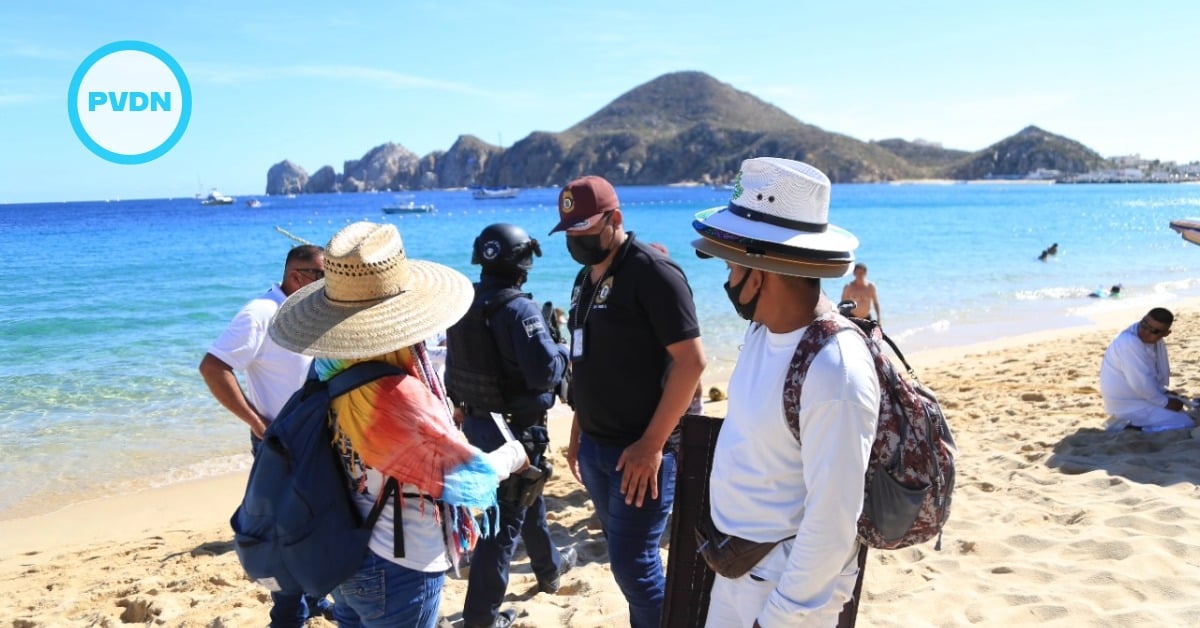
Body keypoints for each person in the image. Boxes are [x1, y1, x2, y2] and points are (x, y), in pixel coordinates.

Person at [267, 222, 529, 628]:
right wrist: (513, 455)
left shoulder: (328, 369)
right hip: (399, 562)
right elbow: (464, 474)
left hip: (343, 546)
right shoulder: (397, 393)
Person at [690, 157, 882, 626]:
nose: (727, 280)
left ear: (761, 271)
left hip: (783, 591)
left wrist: (780, 617)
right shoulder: (763, 330)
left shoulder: (834, 368)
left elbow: (833, 519)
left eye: (733, 265)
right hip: (740, 572)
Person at [549, 175, 706, 628]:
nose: (577, 241)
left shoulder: (653, 273)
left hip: (642, 454)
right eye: (569, 234)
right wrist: (579, 430)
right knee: (626, 563)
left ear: (615, 219)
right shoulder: (585, 278)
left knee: (635, 565)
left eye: (585, 231)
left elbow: (691, 363)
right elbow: (584, 360)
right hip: (597, 447)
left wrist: (653, 444)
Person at [444, 223, 577, 628]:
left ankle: (549, 568)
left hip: (480, 426)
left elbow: (453, 374)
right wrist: (562, 347)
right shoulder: (520, 310)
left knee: (524, 499)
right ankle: (480, 619)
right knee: (502, 528)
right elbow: (544, 374)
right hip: (516, 431)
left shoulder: (462, 304)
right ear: (523, 262)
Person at [198, 243, 332, 626]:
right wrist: (259, 423)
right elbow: (213, 367)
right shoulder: (261, 313)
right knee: (284, 530)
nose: (329, 285)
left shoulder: (310, 309)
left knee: (319, 521)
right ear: (297, 276)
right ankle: (288, 614)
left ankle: (313, 597)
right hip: (281, 442)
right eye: (323, 276)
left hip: (317, 438)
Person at [1099, 308, 1196, 433]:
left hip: (1140, 397)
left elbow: (1152, 376)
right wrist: (1165, 402)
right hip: (1127, 405)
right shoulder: (1128, 342)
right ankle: (1130, 428)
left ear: (1166, 333)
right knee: (1185, 423)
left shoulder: (1156, 342)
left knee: (1181, 411)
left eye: (1154, 331)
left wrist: (1164, 392)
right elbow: (1140, 383)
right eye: (1144, 325)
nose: (1145, 332)